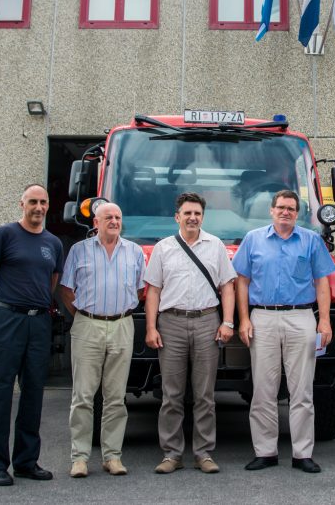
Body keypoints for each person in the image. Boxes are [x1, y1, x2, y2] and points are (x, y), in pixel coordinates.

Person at [233, 190, 335, 474]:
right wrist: (244, 319)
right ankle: (265, 452)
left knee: (302, 390)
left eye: (291, 208)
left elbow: (322, 282)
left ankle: (303, 454)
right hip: (262, 317)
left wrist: (324, 321)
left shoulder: (311, 240)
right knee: (263, 390)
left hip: (301, 317)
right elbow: (242, 282)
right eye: (281, 207)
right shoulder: (253, 239)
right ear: (271, 210)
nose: (285, 212)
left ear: (297, 213)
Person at [0, 183, 64, 487]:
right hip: (7, 322)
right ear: (21, 204)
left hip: (38, 324)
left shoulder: (53, 243)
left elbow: (51, 281)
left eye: (43, 202)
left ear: (48, 206)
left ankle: (26, 462)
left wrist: (35, 308)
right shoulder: (4, 234)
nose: (38, 207)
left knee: (33, 393)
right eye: (33, 201)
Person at [144, 192, 237, 474]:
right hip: (171, 324)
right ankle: (172, 454)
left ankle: (203, 453)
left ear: (203, 217)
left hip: (207, 322)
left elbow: (228, 286)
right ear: (177, 217)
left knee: (205, 395)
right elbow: (153, 291)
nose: (192, 218)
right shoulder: (163, 248)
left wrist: (228, 322)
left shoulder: (216, 246)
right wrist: (151, 327)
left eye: (197, 213)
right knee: (171, 395)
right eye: (187, 213)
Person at [59, 202, 145, 478]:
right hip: (87, 324)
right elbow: (66, 290)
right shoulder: (79, 250)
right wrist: (86, 316)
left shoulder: (134, 252)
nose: (115, 221)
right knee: (83, 396)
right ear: (96, 222)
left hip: (122, 324)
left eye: (118, 217)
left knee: (116, 397)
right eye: (108, 217)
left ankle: (112, 456)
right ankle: (80, 458)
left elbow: (141, 290)